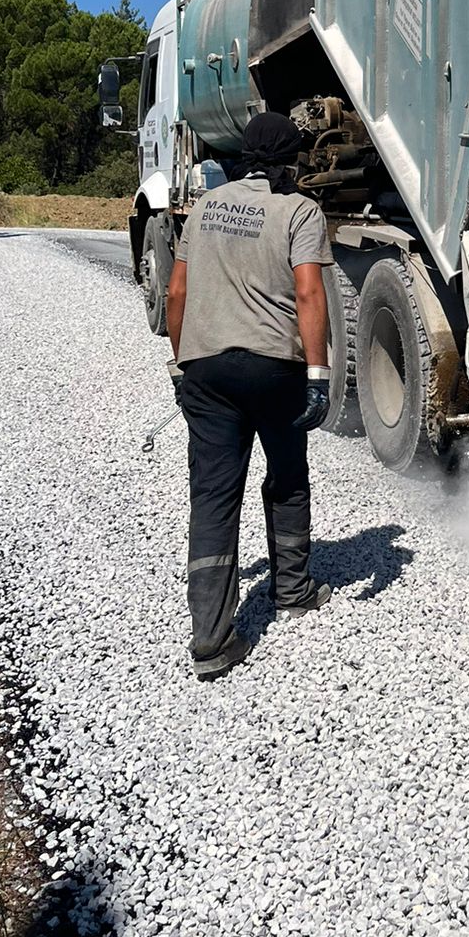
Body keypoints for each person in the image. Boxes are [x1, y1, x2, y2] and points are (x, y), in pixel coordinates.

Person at [166, 110, 336, 680]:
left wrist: (179, 363)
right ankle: (292, 589)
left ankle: (211, 640)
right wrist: (317, 374)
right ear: (290, 161)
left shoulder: (206, 207)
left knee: (213, 496)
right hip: (273, 370)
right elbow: (310, 292)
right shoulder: (300, 210)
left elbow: (178, 289)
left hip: (207, 370)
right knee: (286, 473)